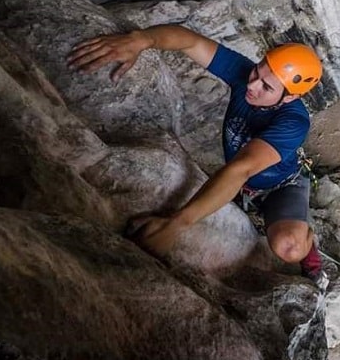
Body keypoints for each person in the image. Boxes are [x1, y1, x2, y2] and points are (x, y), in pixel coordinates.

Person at [67, 24, 325, 284]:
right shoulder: (245, 75)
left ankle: (309, 248)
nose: (252, 85)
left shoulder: (293, 122)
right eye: (258, 70)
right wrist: (141, 40)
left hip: (279, 186)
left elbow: (241, 169)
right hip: (244, 180)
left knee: (288, 248)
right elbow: (190, 41)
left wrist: (175, 226)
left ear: (289, 98)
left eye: (267, 88)